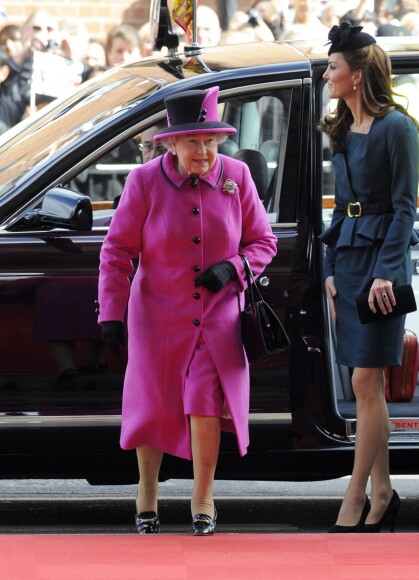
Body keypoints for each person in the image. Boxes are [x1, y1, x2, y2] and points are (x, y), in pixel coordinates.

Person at [97, 86, 277, 535]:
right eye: (195, 142)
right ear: (172, 142)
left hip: (217, 316)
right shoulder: (143, 181)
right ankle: (147, 494)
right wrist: (111, 314)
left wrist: (233, 268)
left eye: (212, 141)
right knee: (154, 406)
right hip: (157, 314)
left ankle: (203, 499)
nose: (205, 151)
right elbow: (116, 251)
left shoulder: (237, 175)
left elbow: (264, 242)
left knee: (205, 403)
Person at [318, 22, 419, 533]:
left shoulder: (397, 128)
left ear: (356, 75)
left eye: (333, 67)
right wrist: (332, 269)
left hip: (383, 266)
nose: (327, 74)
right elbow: (339, 209)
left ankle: (355, 496)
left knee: (365, 381)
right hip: (350, 262)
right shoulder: (339, 129)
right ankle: (382, 492)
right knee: (366, 388)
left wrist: (386, 274)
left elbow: (405, 210)